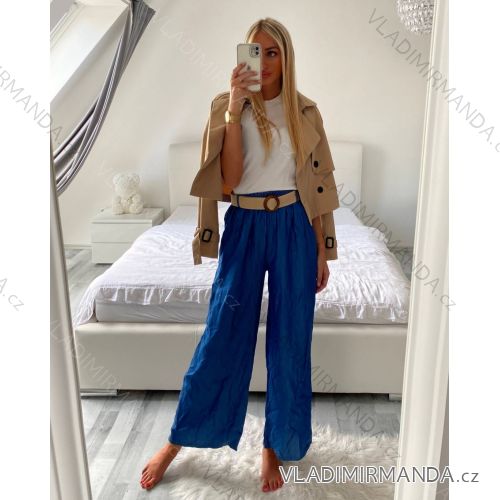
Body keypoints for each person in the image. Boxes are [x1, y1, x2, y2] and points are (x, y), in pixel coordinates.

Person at [140, 17, 338, 493]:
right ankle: (177, 440)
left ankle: (275, 445)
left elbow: (318, 188)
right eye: (256, 51)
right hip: (245, 226)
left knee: (291, 340)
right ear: (242, 56)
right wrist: (234, 107)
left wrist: (321, 249)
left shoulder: (305, 112)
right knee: (222, 332)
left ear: (286, 58)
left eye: (273, 53)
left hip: (293, 227)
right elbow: (228, 181)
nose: (264, 62)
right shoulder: (227, 107)